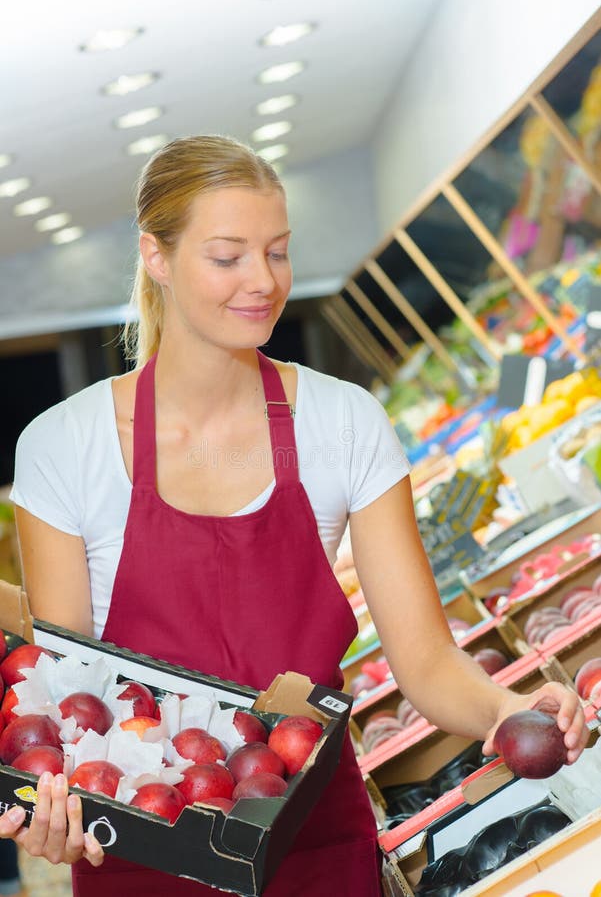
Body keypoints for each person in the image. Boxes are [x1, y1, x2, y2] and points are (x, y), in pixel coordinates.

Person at [0, 135, 587, 896]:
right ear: (156, 256)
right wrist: (50, 804)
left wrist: (507, 706)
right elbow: (69, 699)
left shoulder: (343, 422)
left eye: (277, 253)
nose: (262, 281)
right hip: (144, 854)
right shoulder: (62, 446)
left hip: (318, 847)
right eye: (227, 256)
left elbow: (426, 664)